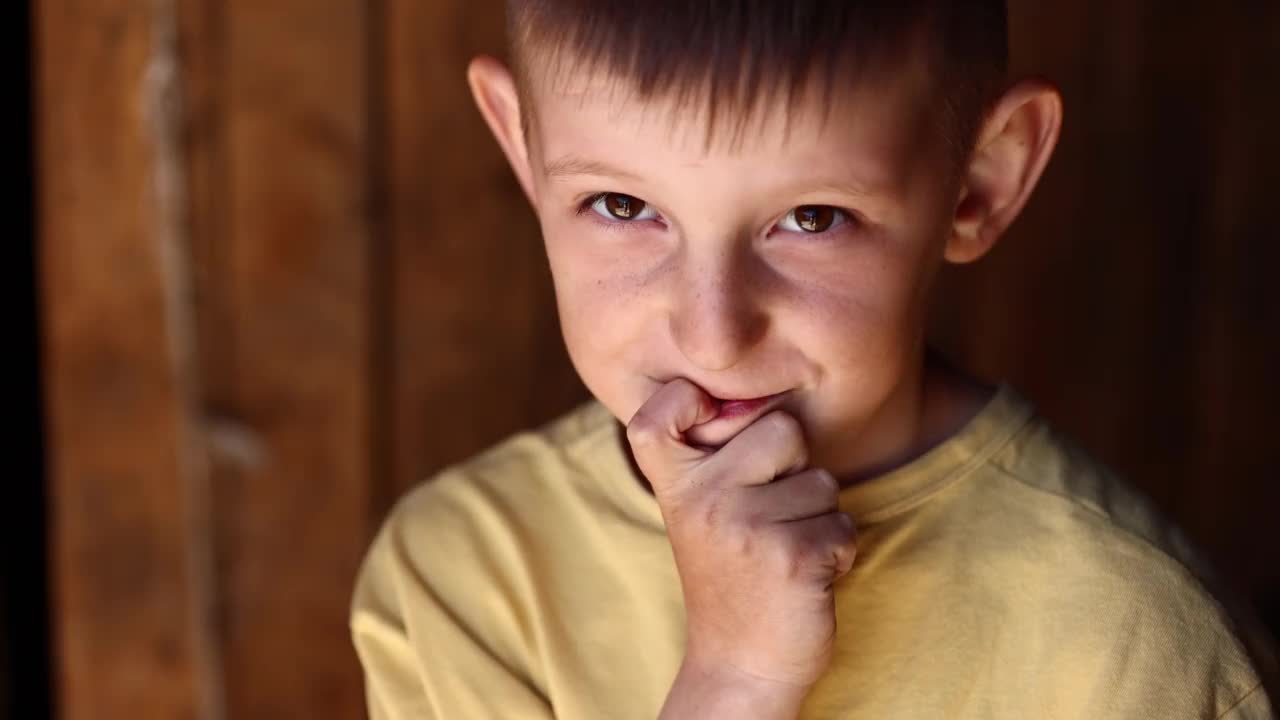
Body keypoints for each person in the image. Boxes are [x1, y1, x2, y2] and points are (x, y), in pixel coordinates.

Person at [350, 2, 1278, 717]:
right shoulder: (466, 575)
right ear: (522, 140)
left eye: (814, 219)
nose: (713, 336)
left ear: (980, 180)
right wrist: (734, 682)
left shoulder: (1132, 643)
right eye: (624, 207)